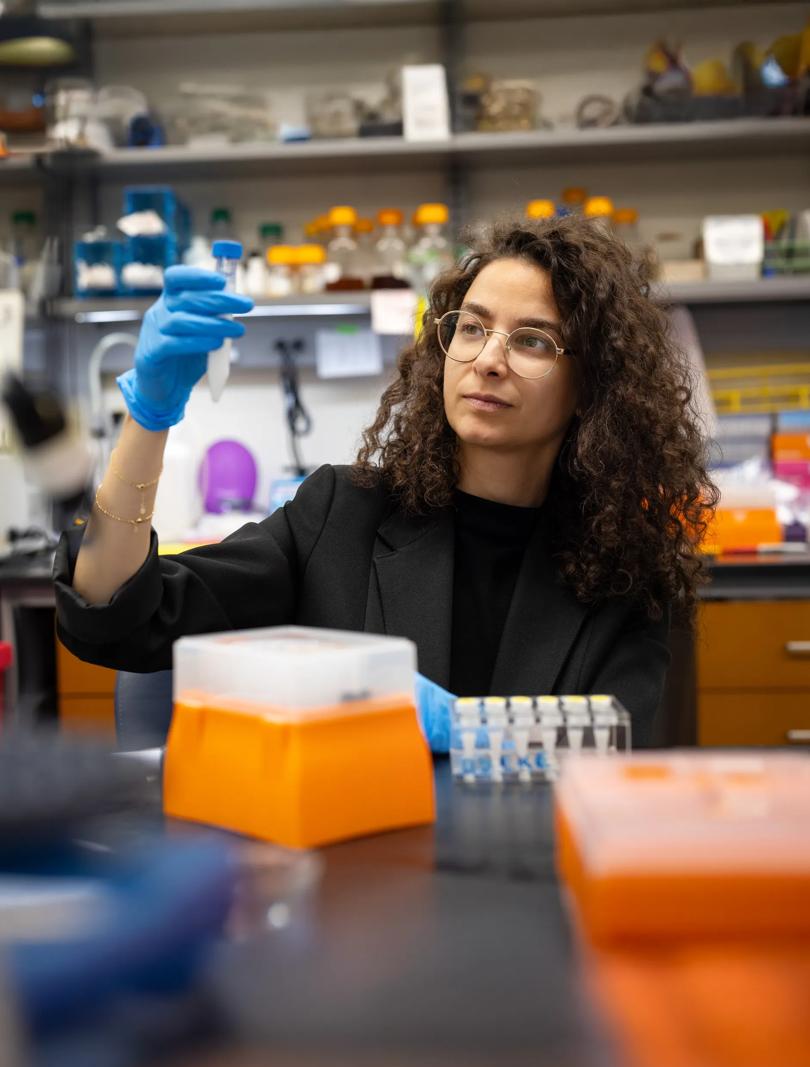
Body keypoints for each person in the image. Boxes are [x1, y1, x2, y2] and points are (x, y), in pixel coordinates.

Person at [54, 215, 716, 748]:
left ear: (591, 387)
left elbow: (614, 758)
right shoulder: (341, 516)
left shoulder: (622, 571)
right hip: (354, 857)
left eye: (533, 341)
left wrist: (464, 732)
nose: (488, 360)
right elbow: (114, 615)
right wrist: (148, 418)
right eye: (473, 327)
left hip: (524, 863)